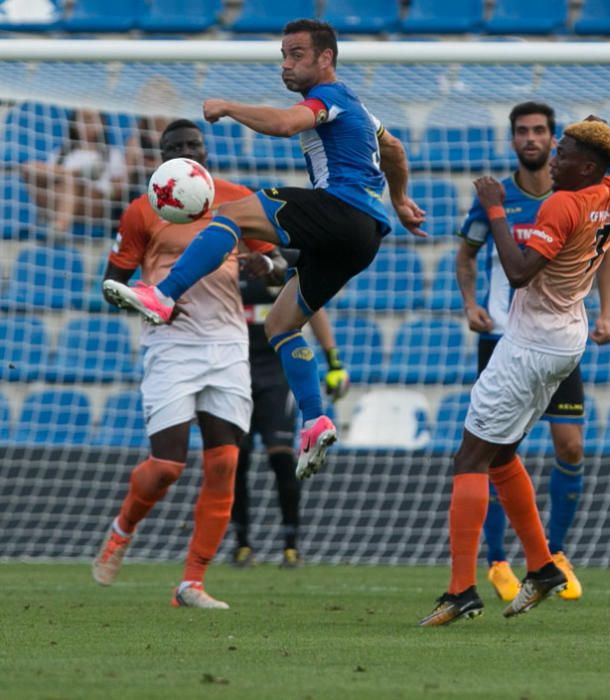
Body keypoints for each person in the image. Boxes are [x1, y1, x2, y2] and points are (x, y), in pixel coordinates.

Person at [102, 18, 426, 482]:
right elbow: (392, 149)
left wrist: (230, 107)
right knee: (281, 324)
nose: (286, 65)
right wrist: (398, 199)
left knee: (231, 216)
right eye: (283, 55)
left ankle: (165, 293)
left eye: (296, 55)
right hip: (365, 237)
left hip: (341, 209)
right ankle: (315, 420)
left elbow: (282, 124)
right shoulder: (361, 109)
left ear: (326, 59)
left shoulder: (330, 98)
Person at [420, 117, 610, 626]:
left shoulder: (563, 203)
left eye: (563, 152)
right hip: (566, 338)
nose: (554, 158)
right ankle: (543, 566)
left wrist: (496, 207)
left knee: (469, 458)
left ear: (586, 166)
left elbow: (520, 274)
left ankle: (461, 591)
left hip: (530, 343)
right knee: (500, 455)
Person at [92, 119, 275, 609]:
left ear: (205, 149)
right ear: (161, 154)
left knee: (225, 462)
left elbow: (277, 264)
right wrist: (141, 301)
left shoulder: (238, 199)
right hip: (171, 346)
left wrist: (268, 267)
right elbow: (113, 285)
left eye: (193, 144)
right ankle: (122, 528)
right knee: (167, 466)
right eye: (175, 146)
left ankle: (191, 583)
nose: (186, 151)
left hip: (228, 344)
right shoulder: (142, 210)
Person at [456, 102, 610, 604]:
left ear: (554, 141)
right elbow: (467, 255)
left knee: (562, 445)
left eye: (542, 132)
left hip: (543, 341)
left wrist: (607, 313)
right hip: (505, 336)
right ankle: (503, 559)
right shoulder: (497, 198)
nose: (532, 139)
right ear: (512, 140)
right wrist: (470, 305)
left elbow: (604, 257)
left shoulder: (575, 197)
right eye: (522, 131)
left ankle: (551, 555)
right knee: (500, 450)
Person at [231, 248, 349, 569]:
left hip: (276, 374)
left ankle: (291, 544)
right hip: (236, 372)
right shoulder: (226, 262)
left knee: (281, 457)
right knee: (235, 459)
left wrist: (333, 361)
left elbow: (314, 309)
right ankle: (241, 544)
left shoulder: (280, 263)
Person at [21, 108, 127, 235]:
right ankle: (77, 173)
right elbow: (34, 170)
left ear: (102, 123)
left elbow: (118, 190)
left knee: (71, 181)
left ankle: (59, 227)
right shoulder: (62, 153)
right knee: (29, 169)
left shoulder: (111, 154)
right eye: (83, 120)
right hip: (58, 198)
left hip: (94, 204)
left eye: (92, 120)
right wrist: (72, 173)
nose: (88, 125)